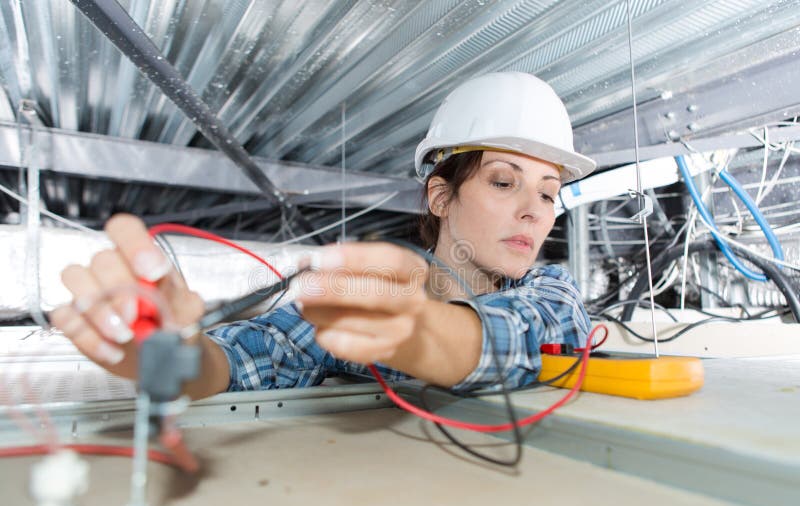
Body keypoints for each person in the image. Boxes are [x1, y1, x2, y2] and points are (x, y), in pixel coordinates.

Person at [50, 72, 596, 399]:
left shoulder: (550, 294)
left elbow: (543, 332)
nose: (534, 211)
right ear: (440, 196)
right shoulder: (358, 298)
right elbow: (252, 356)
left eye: (548, 193)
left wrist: (418, 332)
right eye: (505, 181)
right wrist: (176, 355)